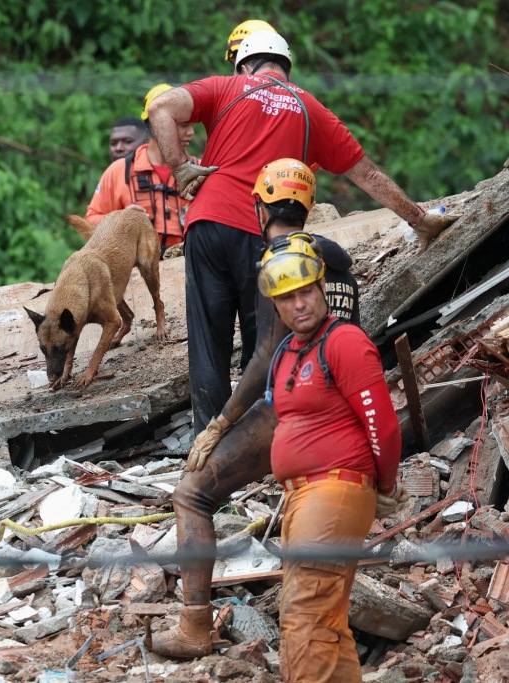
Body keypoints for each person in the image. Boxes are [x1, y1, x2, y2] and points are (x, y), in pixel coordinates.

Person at [145, 30, 456, 434]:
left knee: (207, 342)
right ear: (287, 67)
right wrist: (419, 219)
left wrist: (181, 166)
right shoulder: (312, 109)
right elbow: (368, 175)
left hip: (208, 223)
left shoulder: (226, 87)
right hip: (265, 235)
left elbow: (160, 107)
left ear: (245, 65)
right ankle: (258, 443)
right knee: (263, 343)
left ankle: (206, 445)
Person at [148, 159, 362, 659]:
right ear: (309, 205)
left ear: (261, 207)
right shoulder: (335, 260)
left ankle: (194, 627)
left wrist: (221, 422)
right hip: (340, 407)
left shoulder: (280, 259)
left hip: (296, 402)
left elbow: (266, 355)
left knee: (192, 495)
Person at [259, 240, 403, 680]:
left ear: (323, 287)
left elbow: (383, 424)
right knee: (325, 620)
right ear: (275, 304)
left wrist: (385, 486)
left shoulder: (344, 341)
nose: (299, 304)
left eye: (306, 291)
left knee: (305, 618)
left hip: (333, 491)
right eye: (287, 297)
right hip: (302, 498)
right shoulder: (288, 350)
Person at [86, 85, 195, 252]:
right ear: (156, 124)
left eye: (191, 124)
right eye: (183, 125)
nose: (191, 132)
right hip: (138, 265)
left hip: (187, 262)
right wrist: (119, 221)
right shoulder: (120, 171)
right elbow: (88, 224)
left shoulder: (199, 169)